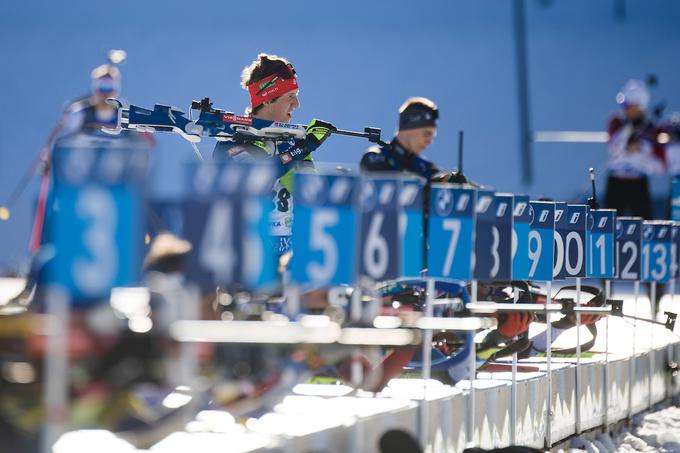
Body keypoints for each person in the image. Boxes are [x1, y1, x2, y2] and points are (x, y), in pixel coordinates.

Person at [212, 53, 335, 256]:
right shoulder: (231, 141)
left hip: (292, 248)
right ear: (268, 99)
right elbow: (259, 178)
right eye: (290, 96)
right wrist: (305, 147)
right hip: (250, 250)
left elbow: (311, 194)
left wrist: (302, 151)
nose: (296, 104)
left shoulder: (293, 140)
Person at [604, 79, 666, 219]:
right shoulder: (616, 122)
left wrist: (641, 151)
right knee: (609, 225)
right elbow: (613, 148)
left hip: (638, 184)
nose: (624, 108)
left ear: (640, 106)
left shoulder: (653, 130)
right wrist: (628, 130)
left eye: (628, 105)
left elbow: (660, 168)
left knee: (642, 226)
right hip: (615, 182)